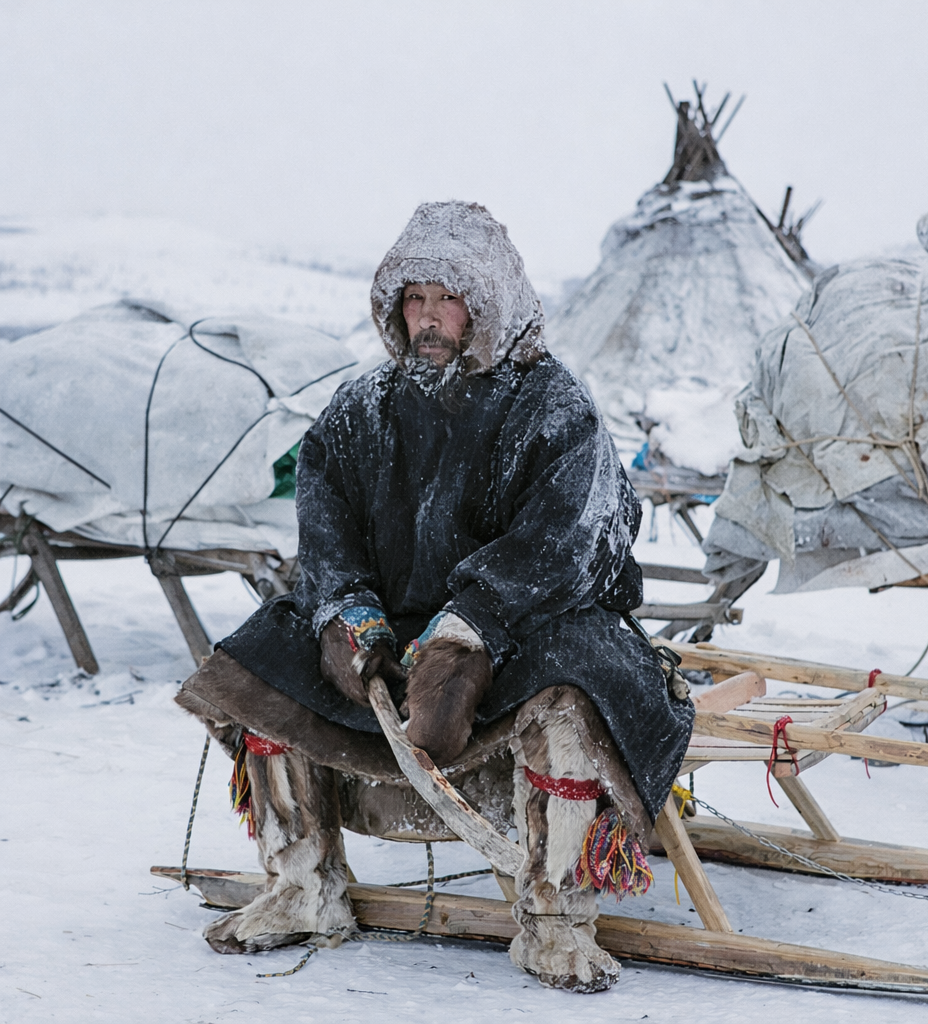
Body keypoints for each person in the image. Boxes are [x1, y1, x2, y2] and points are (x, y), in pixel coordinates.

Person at [176, 201, 694, 993]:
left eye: (445, 300)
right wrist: (348, 614)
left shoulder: (554, 409)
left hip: (528, 624)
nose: (427, 319)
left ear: (487, 303)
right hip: (400, 631)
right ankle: (301, 886)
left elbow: (565, 543)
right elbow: (325, 527)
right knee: (265, 652)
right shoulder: (362, 411)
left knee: (579, 689)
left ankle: (555, 919)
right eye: (412, 300)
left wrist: (467, 632)